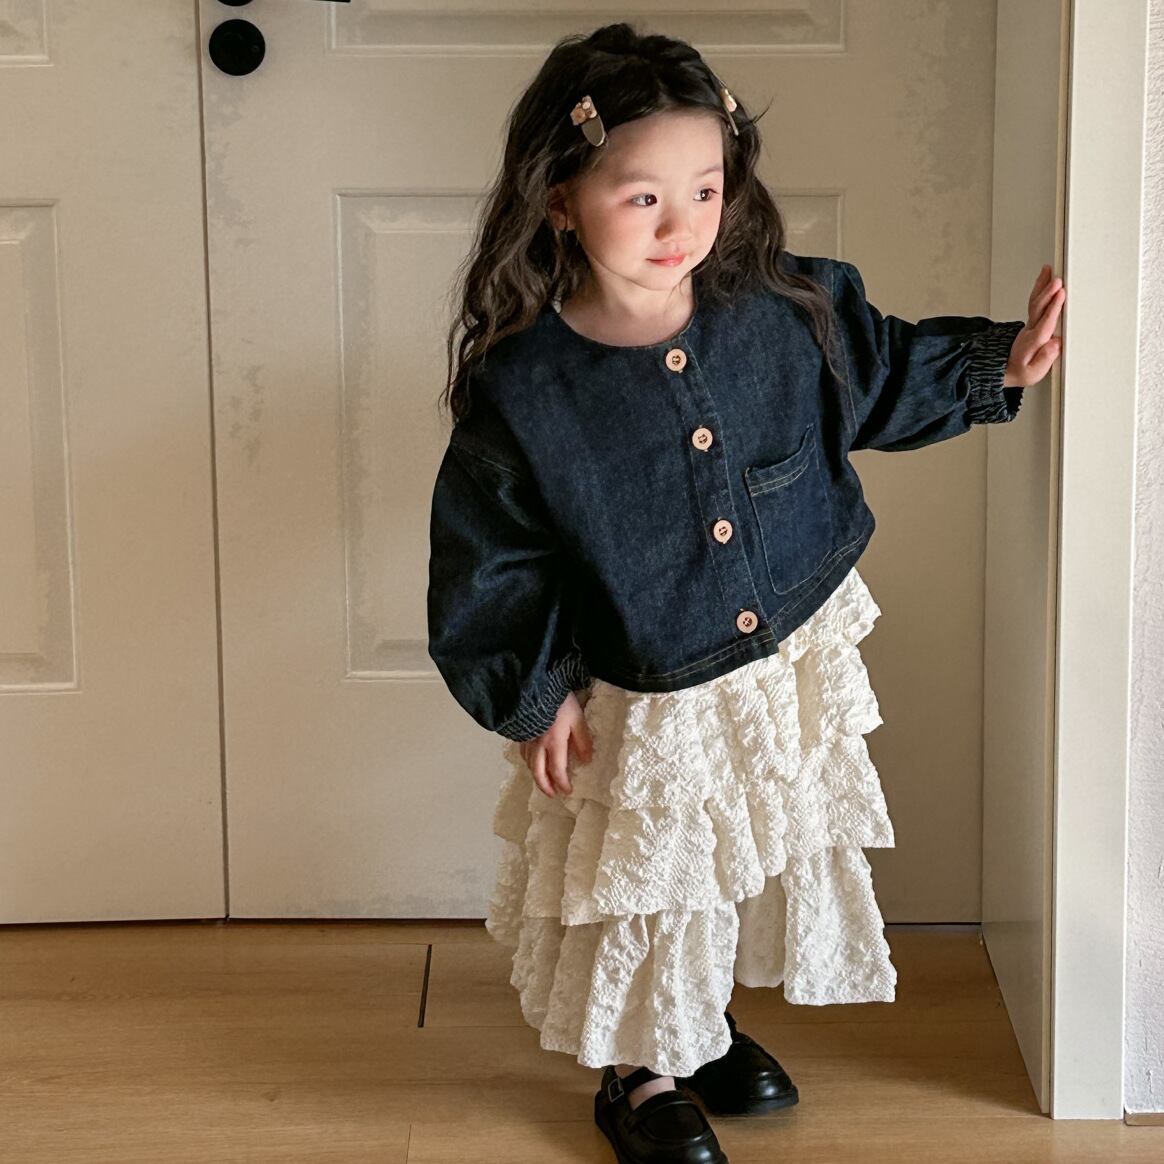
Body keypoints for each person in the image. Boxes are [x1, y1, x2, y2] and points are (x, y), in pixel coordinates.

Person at [425, 22, 1065, 1164]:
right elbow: (492, 561)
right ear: (561, 199)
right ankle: (642, 1072)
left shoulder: (780, 309)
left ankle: (700, 1024)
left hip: (779, 656)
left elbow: (878, 372)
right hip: (646, 689)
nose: (682, 225)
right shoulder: (527, 391)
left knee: (740, 853)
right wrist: (534, 693)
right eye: (643, 197)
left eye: (706, 190)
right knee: (659, 884)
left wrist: (996, 363)